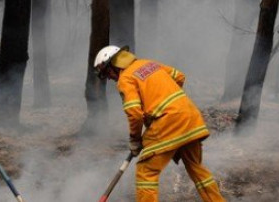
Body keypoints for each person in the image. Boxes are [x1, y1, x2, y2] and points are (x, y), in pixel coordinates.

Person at [94, 45, 225, 202]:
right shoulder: (149, 64)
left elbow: (134, 113)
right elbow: (179, 76)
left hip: (168, 122)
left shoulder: (125, 79)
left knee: (145, 171)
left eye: (107, 72)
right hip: (190, 117)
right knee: (196, 168)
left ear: (114, 64)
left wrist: (135, 139)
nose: (109, 78)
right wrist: (163, 97)